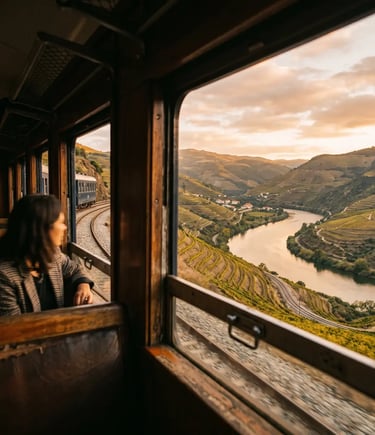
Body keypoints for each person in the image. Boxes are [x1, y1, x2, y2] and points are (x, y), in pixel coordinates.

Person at [0, 194, 94, 316]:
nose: (65, 227)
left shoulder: (53, 254)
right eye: (60, 222)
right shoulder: (4, 277)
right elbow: (17, 330)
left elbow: (74, 268)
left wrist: (83, 285)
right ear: (41, 229)